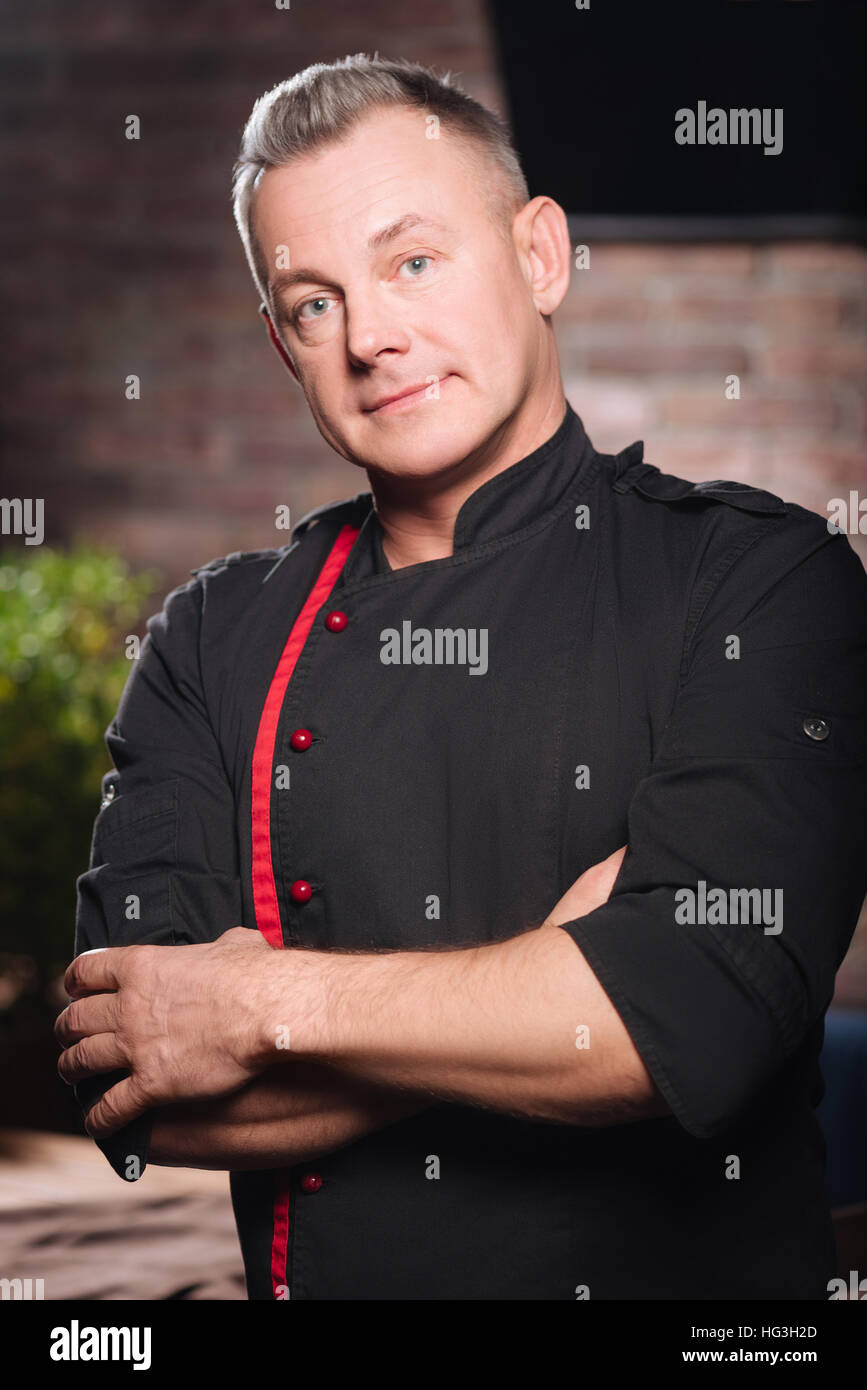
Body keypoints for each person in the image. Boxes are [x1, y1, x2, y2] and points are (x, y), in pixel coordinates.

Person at [57, 54, 867, 1301]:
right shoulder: (210, 637)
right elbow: (132, 1080)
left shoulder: (763, 582)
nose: (373, 335)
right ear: (282, 346)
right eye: (314, 302)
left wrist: (252, 1003)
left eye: (412, 261)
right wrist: (547, 979)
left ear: (541, 257)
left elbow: (690, 1021)